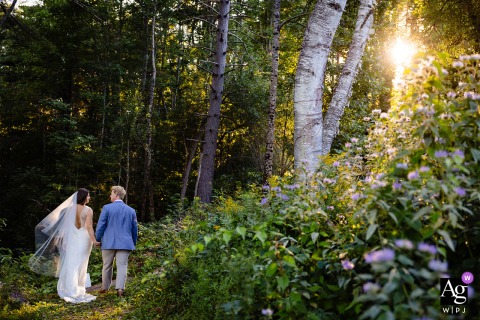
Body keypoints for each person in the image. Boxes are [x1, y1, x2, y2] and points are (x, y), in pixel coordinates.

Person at [29, 188, 99, 303]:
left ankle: (70, 290)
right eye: (88, 195)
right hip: (84, 239)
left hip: (70, 239)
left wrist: (62, 241)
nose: (89, 197)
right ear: (83, 197)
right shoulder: (88, 210)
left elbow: (61, 228)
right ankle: (78, 289)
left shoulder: (66, 210)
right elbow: (89, 227)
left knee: (71, 263)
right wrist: (95, 240)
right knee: (81, 263)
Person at [95, 186, 138, 297]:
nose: (110, 196)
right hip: (125, 243)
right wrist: (133, 242)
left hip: (109, 242)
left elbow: (101, 226)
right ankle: (120, 289)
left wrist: (98, 239)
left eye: (111, 193)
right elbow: (134, 229)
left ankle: (105, 288)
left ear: (116, 195)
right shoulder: (131, 210)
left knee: (107, 265)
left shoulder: (107, 208)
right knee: (122, 265)